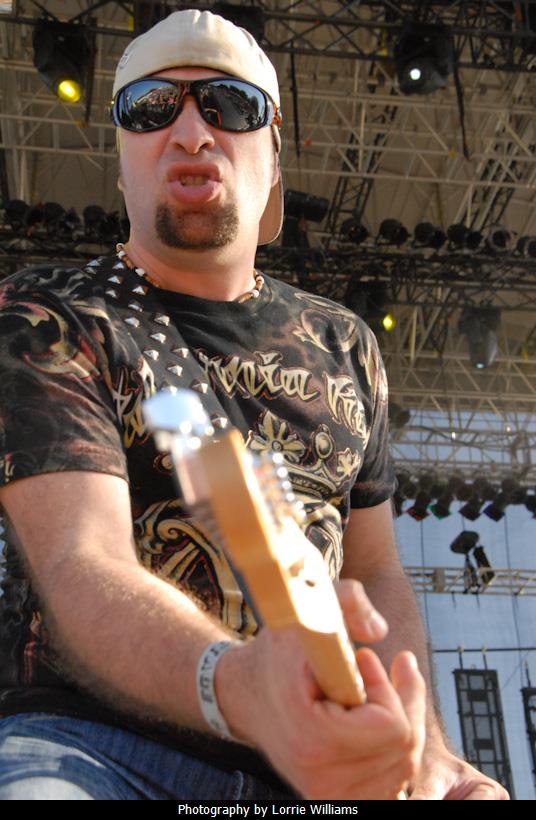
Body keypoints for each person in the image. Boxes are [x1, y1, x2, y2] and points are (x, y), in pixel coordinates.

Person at [0, 9, 506, 801]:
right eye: (150, 108)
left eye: (228, 105)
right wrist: (237, 686)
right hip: (96, 751)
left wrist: (430, 755)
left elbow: (374, 573)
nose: (189, 132)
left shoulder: (346, 343)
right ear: (123, 160)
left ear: (273, 156)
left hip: (316, 778)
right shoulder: (47, 315)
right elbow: (80, 561)